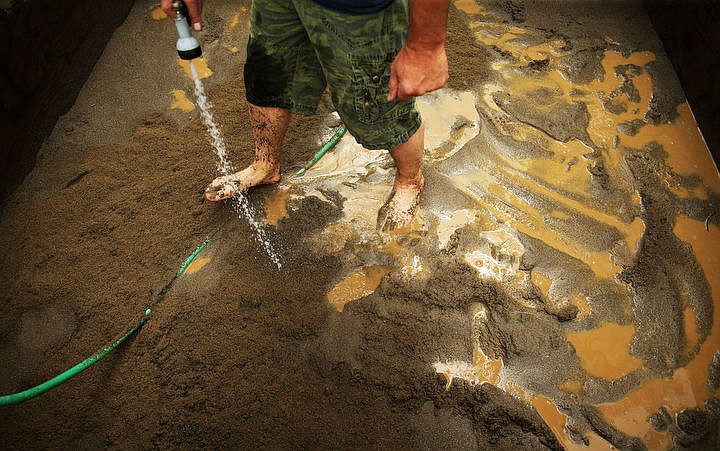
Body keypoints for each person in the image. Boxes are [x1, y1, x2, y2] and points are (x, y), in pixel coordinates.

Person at [162, 0, 449, 231]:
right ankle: (265, 165)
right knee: (270, 74)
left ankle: (410, 179)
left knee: (375, 104)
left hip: (360, 9)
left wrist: (426, 45)